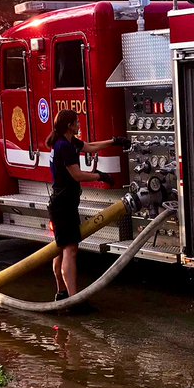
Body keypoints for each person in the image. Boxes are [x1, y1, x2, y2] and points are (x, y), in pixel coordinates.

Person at [46, 109, 130, 302]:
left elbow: (90, 147)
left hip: (62, 203)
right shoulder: (63, 147)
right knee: (69, 249)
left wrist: (114, 142)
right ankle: (74, 300)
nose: (79, 125)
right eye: (76, 122)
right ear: (69, 125)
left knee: (60, 247)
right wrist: (100, 176)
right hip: (63, 205)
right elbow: (77, 175)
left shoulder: (67, 141)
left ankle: (62, 293)